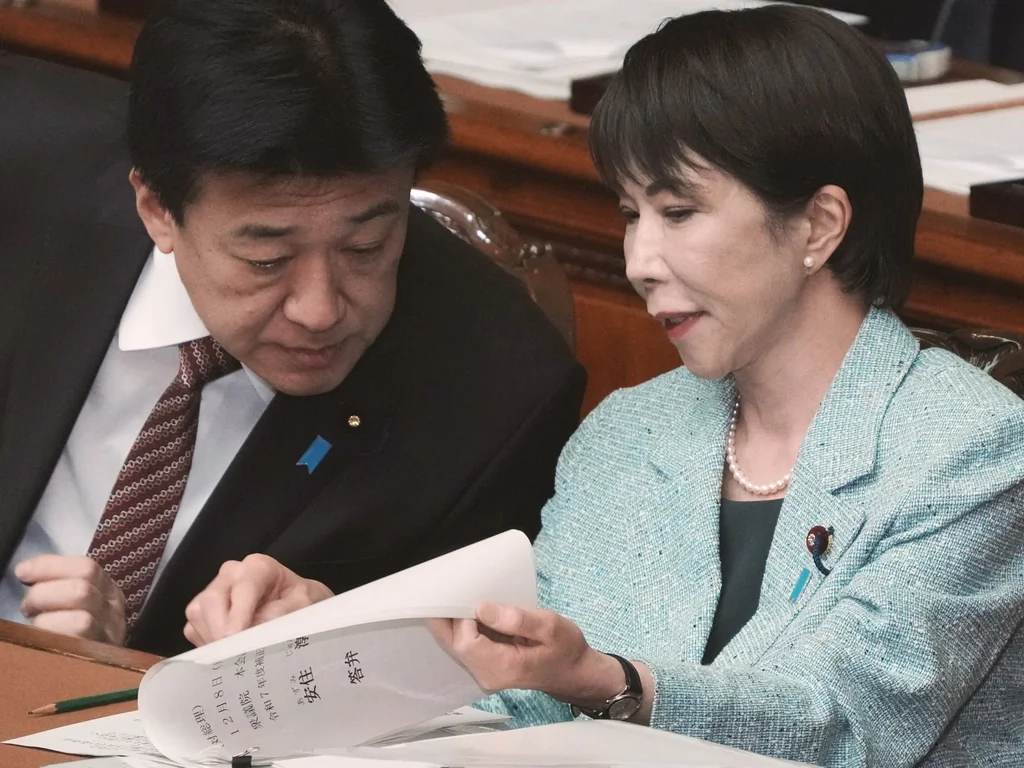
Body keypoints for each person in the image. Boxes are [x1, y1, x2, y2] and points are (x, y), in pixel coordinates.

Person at [182, 6, 1024, 766]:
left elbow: (845, 731)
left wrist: (607, 681)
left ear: (819, 224)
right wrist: (333, 638)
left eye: (678, 212)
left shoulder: (969, 450)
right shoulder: (628, 434)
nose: (638, 262)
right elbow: (521, 704)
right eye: (629, 214)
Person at [0, 0, 584, 658]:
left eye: (365, 248)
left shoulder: (495, 394)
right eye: (267, 259)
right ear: (158, 208)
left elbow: (463, 683)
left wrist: (333, 658)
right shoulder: (18, 170)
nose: (319, 310)